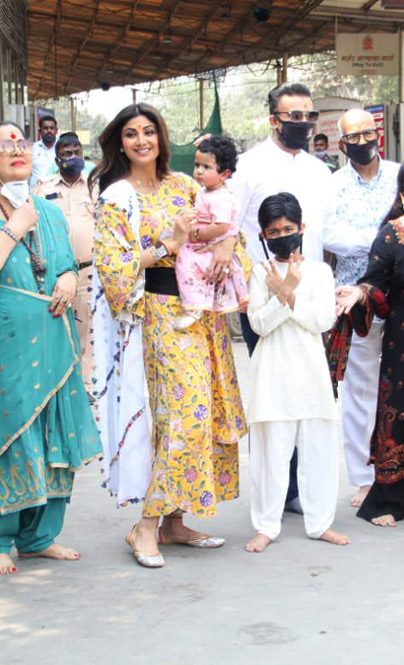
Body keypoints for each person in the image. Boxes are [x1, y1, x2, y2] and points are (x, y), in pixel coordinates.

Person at [90, 103, 247, 568]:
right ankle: (145, 524)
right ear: (120, 142)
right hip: (158, 312)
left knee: (207, 409)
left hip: (201, 311)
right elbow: (112, 266)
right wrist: (166, 245)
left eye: (150, 132)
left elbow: (223, 225)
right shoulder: (116, 197)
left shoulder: (184, 185)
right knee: (184, 416)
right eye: (132, 134)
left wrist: (227, 243)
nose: (142, 141)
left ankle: (175, 522)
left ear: (161, 138)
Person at [0, 122, 101, 575]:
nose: (17, 150)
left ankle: (39, 538)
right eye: (5, 144)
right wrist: (14, 226)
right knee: (7, 438)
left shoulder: (49, 213)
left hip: (54, 343)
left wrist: (69, 277)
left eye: (22, 143)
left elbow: (66, 264)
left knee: (55, 436)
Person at [230, 82, 333, 514]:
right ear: (275, 119)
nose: (304, 124)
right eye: (295, 116)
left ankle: (307, 492)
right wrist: (248, 285)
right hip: (264, 291)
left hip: (308, 292)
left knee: (308, 395)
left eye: (309, 116)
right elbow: (230, 227)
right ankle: (277, 492)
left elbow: (325, 235)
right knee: (272, 397)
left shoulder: (321, 171)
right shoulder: (249, 166)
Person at [332, 153, 404, 526]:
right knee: (401, 411)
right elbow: (375, 281)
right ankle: (389, 499)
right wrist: (359, 294)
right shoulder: (392, 233)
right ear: (402, 195)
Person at [245, 192, 350, 552]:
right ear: (263, 236)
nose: (282, 235)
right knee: (270, 454)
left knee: (319, 450)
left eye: (289, 228)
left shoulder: (320, 272)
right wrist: (283, 289)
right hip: (272, 375)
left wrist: (287, 294)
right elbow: (259, 325)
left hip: (311, 374)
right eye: (273, 231)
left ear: (302, 228)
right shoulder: (260, 273)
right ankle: (266, 525)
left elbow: (322, 320)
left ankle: (320, 523)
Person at [323, 108, 401, 508]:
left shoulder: (399, 176)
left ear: (378, 135)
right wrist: (383, 240)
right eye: (352, 137)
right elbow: (330, 233)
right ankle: (364, 476)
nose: (361, 142)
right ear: (342, 144)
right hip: (355, 298)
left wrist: (378, 241)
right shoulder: (333, 185)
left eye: (367, 134)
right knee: (359, 388)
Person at [35, 132, 95, 388]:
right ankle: (60, 385)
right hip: (55, 274)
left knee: (88, 333)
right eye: (67, 153)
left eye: (76, 152)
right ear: (57, 158)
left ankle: (85, 388)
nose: (72, 157)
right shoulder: (44, 187)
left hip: (88, 272)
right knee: (57, 331)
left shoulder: (95, 186)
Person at [174, 134, 249, 330]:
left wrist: (196, 236)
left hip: (208, 241)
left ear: (223, 174)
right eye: (197, 165)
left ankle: (195, 306)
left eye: (206, 167)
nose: (198, 171)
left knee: (187, 264)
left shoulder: (220, 197)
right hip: (206, 239)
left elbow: (222, 226)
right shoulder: (206, 191)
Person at [30, 115, 58, 191]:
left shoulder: (61, 149)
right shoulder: (33, 148)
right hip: (36, 195)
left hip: (56, 194)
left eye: (51, 128)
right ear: (40, 131)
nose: (49, 131)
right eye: (45, 128)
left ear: (56, 131)